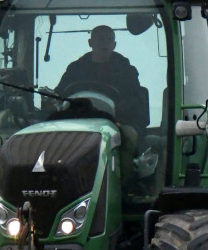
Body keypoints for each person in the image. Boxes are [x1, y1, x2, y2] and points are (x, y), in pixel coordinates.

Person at [57, 25, 149, 181]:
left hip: (119, 123)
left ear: (114, 44)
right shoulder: (75, 69)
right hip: (78, 123)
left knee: (128, 137)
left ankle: (122, 187)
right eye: (100, 39)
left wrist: (119, 116)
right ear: (90, 42)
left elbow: (136, 99)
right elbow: (60, 94)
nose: (104, 43)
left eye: (109, 39)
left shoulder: (127, 71)